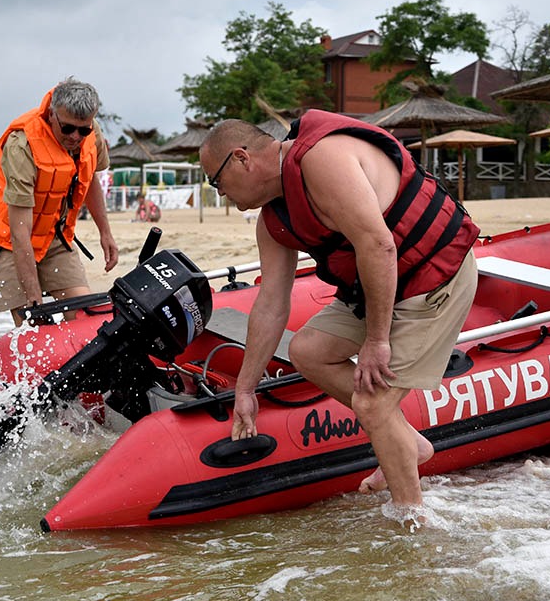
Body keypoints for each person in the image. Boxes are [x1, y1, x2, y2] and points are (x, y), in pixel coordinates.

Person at [199, 112, 479, 523]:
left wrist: (377, 341)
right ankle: (407, 442)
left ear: (242, 159)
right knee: (307, 350)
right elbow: (271, 303)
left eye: (215, 182)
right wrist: (246, 388)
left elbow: (380, 244)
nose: (220, 194)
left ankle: (412, 522)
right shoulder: (274, 220)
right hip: (377, 288)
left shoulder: (322, 159)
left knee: (372, 402)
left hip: (434, 275)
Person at [0, 78, 120, 325]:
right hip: (5, 239)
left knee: (86, 319)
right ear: (52, 115)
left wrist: (106, 232)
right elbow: (20, 234)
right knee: (36, 328)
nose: (76, 137)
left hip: (53, 234)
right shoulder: (22, 145)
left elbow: (89, 176)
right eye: (68, 128)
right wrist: (33, 296)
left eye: (83, 129)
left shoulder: (91, 133)